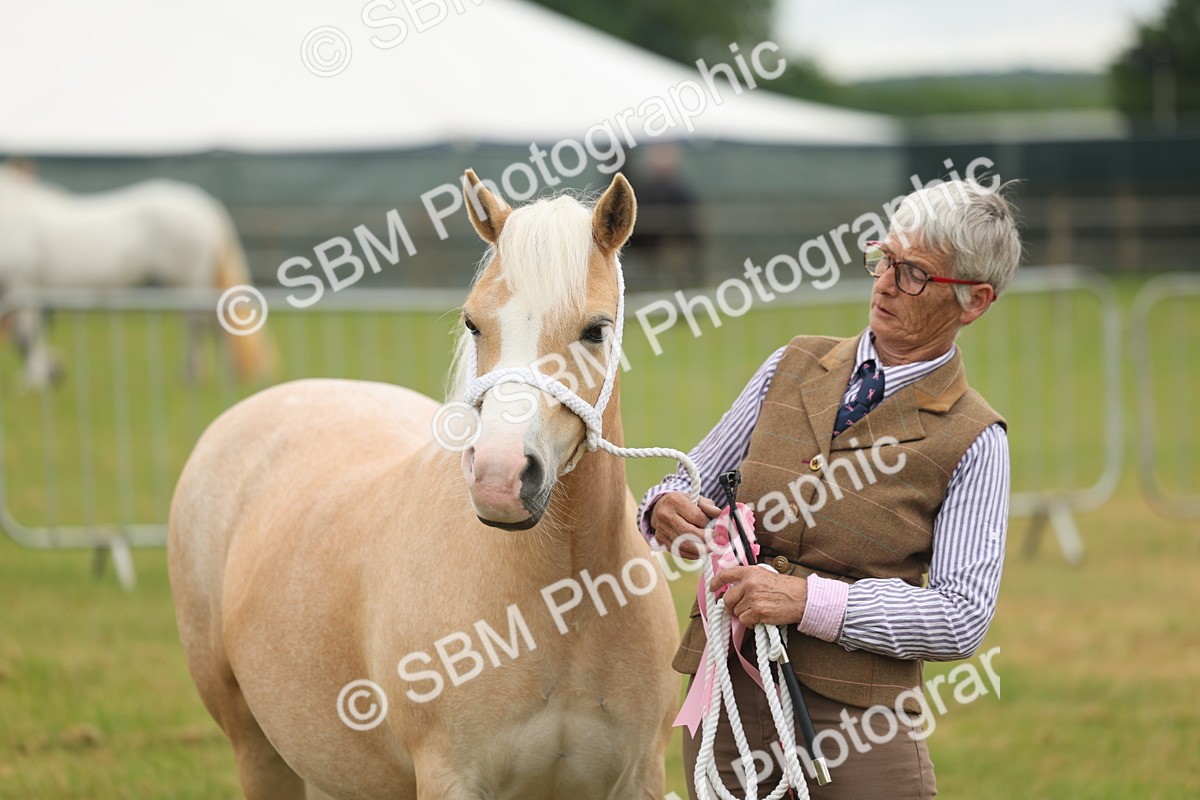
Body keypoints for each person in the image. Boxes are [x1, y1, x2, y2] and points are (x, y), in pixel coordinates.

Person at [638, 179, 1021, 799]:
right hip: (727, 707)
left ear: (975, 300)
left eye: (914, 273)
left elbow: (960, 617)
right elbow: (689, 476)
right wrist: (663, 509)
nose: (885, 283)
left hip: (856, 729)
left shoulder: (976, 438)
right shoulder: (787, 365)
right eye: (883, 258)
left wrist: (807, 601)